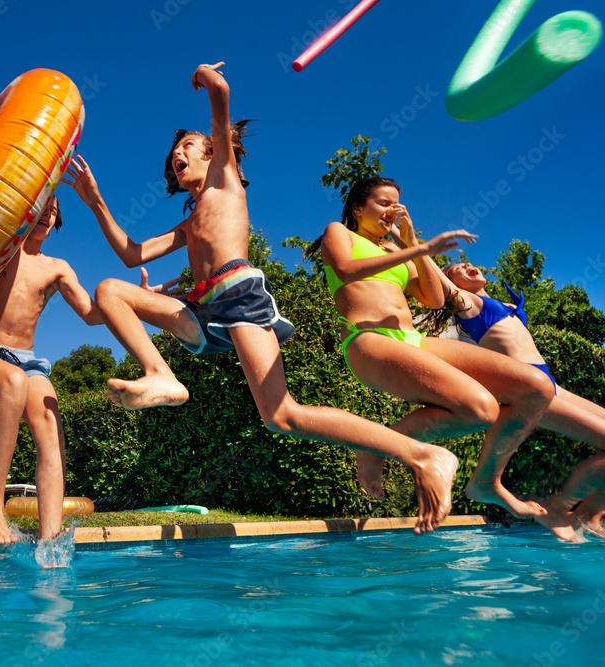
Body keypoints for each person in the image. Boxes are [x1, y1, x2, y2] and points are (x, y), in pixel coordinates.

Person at [63, 62, 460, 535]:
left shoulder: (224, 181)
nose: (178, 154)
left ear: (216, 154)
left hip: (241, 298)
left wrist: (210, 83)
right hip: (204, 312)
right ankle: (161, 375)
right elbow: (132, 254)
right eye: (174, 152)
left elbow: (220, 106)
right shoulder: (189, 223)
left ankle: (422, 452)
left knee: (281, 415)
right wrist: (95, 202)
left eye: (188, 146)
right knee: (111, 290)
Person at [313, 177, 557, 527]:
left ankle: (483, 480)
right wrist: (420, 251)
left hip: (412, 339)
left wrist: (413, 245)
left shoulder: (397, 251)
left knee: (535, 388)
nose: (391, 212)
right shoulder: (339, 231)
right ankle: (377, 444)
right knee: (483, 408)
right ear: (358, 208)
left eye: (396, 206)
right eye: (383, 203)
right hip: (368, 340)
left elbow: (434, 298)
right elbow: (345, 270)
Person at [0, 197, 118, 545]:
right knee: (12, 382)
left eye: (54, 208)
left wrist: (140, 300)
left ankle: (50, 541)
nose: (49, 212)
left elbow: (90, 313)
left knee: (49, 422)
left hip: (28, 360)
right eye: (42, 205)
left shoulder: (56, 268)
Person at [431, 261, 605, 540]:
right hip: (530, 389)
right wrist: (412, 243)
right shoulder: (466, 303)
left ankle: (591, 514)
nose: (467, 266)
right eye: (457, 269)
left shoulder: (494, 302)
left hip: (550, 384)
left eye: (469, 263)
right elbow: (436, 278)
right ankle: (559, 508)